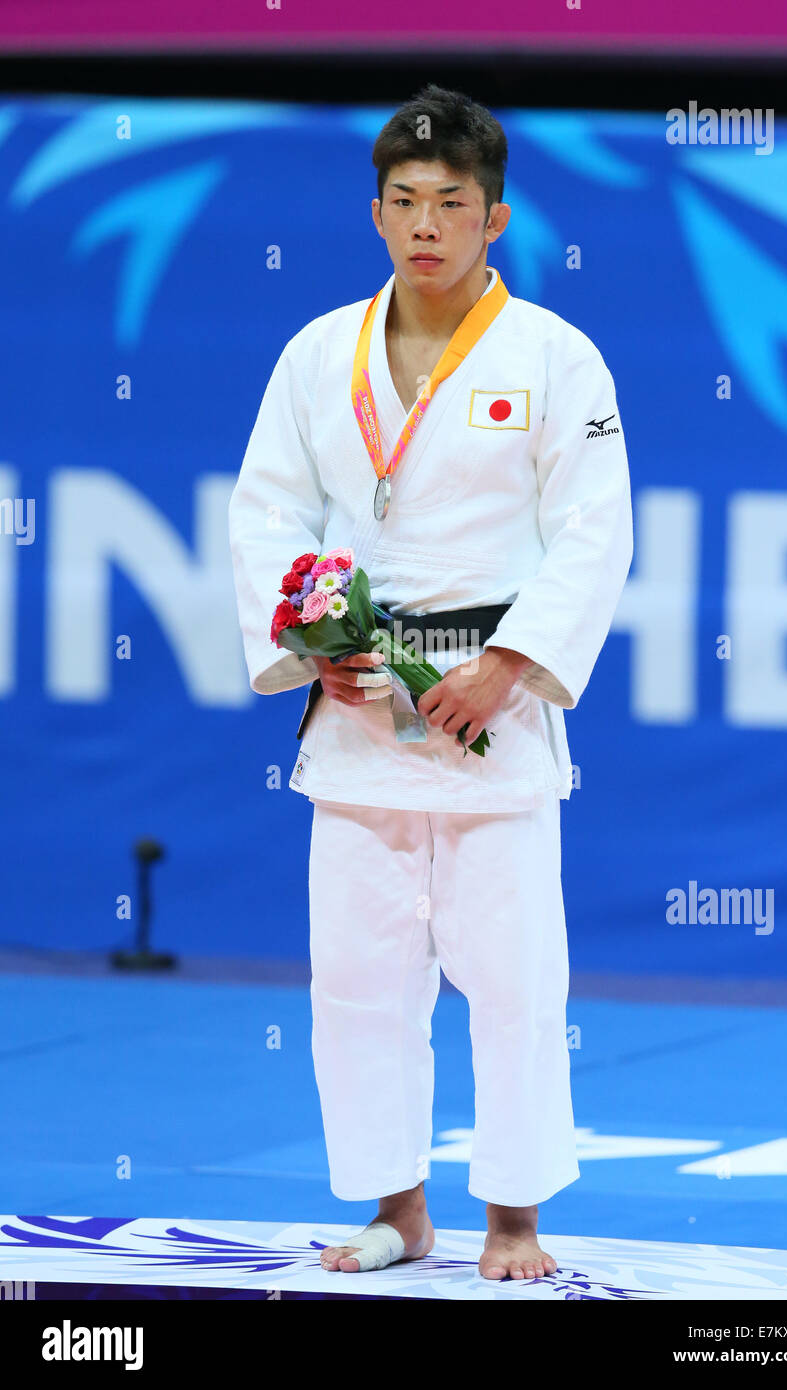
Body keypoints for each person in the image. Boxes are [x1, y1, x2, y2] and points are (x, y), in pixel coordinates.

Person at [228, 84, 633, 1281]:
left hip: (489, 712)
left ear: (493, 218)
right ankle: (397, 1208)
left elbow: (592, 531)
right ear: (374, 212)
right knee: (357, 979)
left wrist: (512, 666)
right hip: (356, 709)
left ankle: (512, 1217)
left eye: (449, 203)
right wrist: (307, 642)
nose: (424, 224)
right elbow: (265, 513)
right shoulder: (315, 353)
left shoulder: (555, 357)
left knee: (511, 979)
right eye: (403, 201)